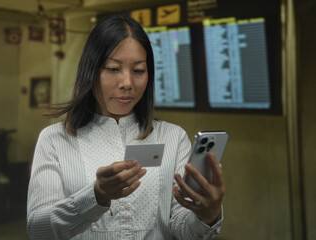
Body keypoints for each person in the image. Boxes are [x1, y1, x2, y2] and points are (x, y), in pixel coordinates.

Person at [27, 13, 225, 240]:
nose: (128, 83)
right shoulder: (55, 140)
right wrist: (96, 196)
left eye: (139, 70)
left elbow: (182, 229)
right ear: (91, 71)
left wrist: (208, 215)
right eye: (113, 69)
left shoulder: (173, 137)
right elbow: (38, 230)